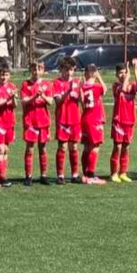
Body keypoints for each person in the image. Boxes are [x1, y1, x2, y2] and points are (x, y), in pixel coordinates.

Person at [20, 61, 54, 186]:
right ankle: (28, 176)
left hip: (43, 121)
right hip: (30, 121)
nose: (36, 71)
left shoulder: (47, 84)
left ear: (43, 70)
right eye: (34, 69)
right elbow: (23, 101)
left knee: (43, 148)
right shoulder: (25, 84)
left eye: (39, 69)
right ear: (31, 70)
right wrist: (35, 96)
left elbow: (50, 102)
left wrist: (43, 96)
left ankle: (43, 175)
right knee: (30, 148)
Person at [51, 57, 83, 185]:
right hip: (63, 119)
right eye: (66, 70)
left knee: (74, 147)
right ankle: (60, 175)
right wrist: (68, 91)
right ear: (61, 70)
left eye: (71, 70)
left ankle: (75, 175)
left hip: (75, 119)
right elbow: (58, 101)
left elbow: (81, 101)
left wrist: (80, 89)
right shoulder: (57, 83)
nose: (68, 72)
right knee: (62, 147)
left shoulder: (76, 82)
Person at [109, 59, 137, 183]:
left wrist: (135, 69)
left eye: (124, 72)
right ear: (117, 75)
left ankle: (123, 172)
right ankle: (114, 173)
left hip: (129, 120)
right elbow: (122, 89)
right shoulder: (116, 86)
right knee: (117, 146)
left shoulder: (131, 85)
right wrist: (127, 76)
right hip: (119, 120)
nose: (123, 75)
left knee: (126, 147)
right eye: (120, 73)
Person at [0, 63, 18, 187]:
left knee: (6, 149)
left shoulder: (12, 86)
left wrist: (14, 98)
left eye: (6, 75)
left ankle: (3, 173)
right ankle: (2, 176)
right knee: (0, 149)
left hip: (9, 121)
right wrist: (8, 98)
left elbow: (15, 105)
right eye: (1, 75)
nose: (4, 77)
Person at [78, 63, 108, 185]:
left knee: (86, 147)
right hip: (94, 119)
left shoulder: (82, 87)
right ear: (94, 73)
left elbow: (81, 102)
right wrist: (99, 77)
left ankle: (85, 174)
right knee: (94, 147)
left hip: (85, 118)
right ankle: (91, 176)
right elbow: (105, 89)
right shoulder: (95, 87)